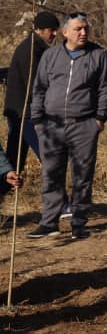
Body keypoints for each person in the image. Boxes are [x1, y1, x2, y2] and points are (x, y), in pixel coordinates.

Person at [27, 13, 107, 240]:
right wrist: (37, 120)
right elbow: (39, 88)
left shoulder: (98, 56)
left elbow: (106, 88)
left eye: (86, 28)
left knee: (82, 176)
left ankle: (79, 223)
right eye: (78, 29)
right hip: (51, 126)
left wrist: (100, 119)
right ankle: (49, 223)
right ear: (65, 32)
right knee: (51, 174)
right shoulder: (50, 56)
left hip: (84, 125)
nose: (83, 33)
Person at [2, 10, 59, 197]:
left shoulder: (38, 48)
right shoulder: (30, 50)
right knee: (48, 156)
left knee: (11, 164)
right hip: (25, 114)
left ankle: (1, 193)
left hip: (24, 113)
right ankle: (62, 202)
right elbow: (35, 85)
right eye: (52, 30)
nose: (55, 34)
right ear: (41, 30)